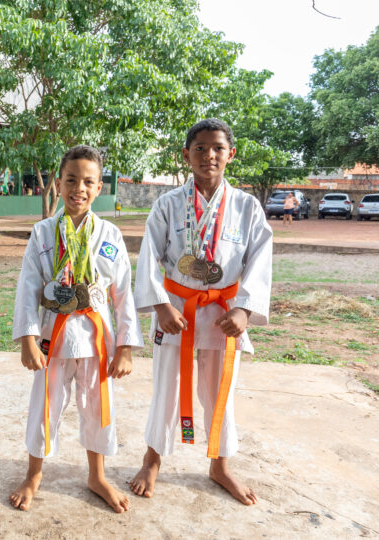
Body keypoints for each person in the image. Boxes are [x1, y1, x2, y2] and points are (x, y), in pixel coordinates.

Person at [130, 119, 272, 506]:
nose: (209, 155)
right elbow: (148, 256)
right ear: (186, 155)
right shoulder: (168, 204)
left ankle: (220, 464)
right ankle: (153, 458)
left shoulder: (246, 206)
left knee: (219, 390)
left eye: (217, 148)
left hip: (223, 311)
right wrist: (159, 305)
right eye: (200, 148)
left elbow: (260, 261)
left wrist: (244, 310)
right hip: (176, 307)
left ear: (230, 154)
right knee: (165, 385)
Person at [9, 145, 144, 513]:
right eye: (71, 180)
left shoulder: (110, 234)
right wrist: (27, 339)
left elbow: (122, 294)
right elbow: (27, 289)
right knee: (44, 407)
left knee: (99, 408)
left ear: (100, 187)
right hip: (54, 336)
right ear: (59, 182)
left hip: (97, 338)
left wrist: (126, 347)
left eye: (88, 181)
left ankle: (97, 475)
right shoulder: (42, 233)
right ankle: (34, 474)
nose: (78, 189)